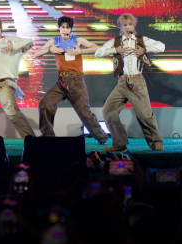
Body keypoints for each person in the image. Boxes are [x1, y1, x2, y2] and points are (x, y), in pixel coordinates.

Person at [95, 13, 165, 158]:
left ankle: (156, 142)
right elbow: (98, 52)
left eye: (130, 24)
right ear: (120, 26)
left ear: (134, 25)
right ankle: (119, 142)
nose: (128, 27)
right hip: (122, 83)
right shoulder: (116, 42)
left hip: (137, 82)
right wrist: (116, 50)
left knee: (144, 115)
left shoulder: (141, 40)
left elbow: (161, 46)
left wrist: (144, 50)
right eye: (125, 25)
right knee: (108, 111)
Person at [32, 16, 107, 143]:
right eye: (63, 27)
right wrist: (50, 49)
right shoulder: (53, 41)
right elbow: (36, 54)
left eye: (68, 28)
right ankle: (48, 138)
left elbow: (96, 47)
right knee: (45, 104)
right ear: (59, 28)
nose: (65, 30)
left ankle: (102, 138)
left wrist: (80, 51)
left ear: (71, 29)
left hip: (76, 80)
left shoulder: (77, 40)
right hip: (61, 82)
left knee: (84, 112)